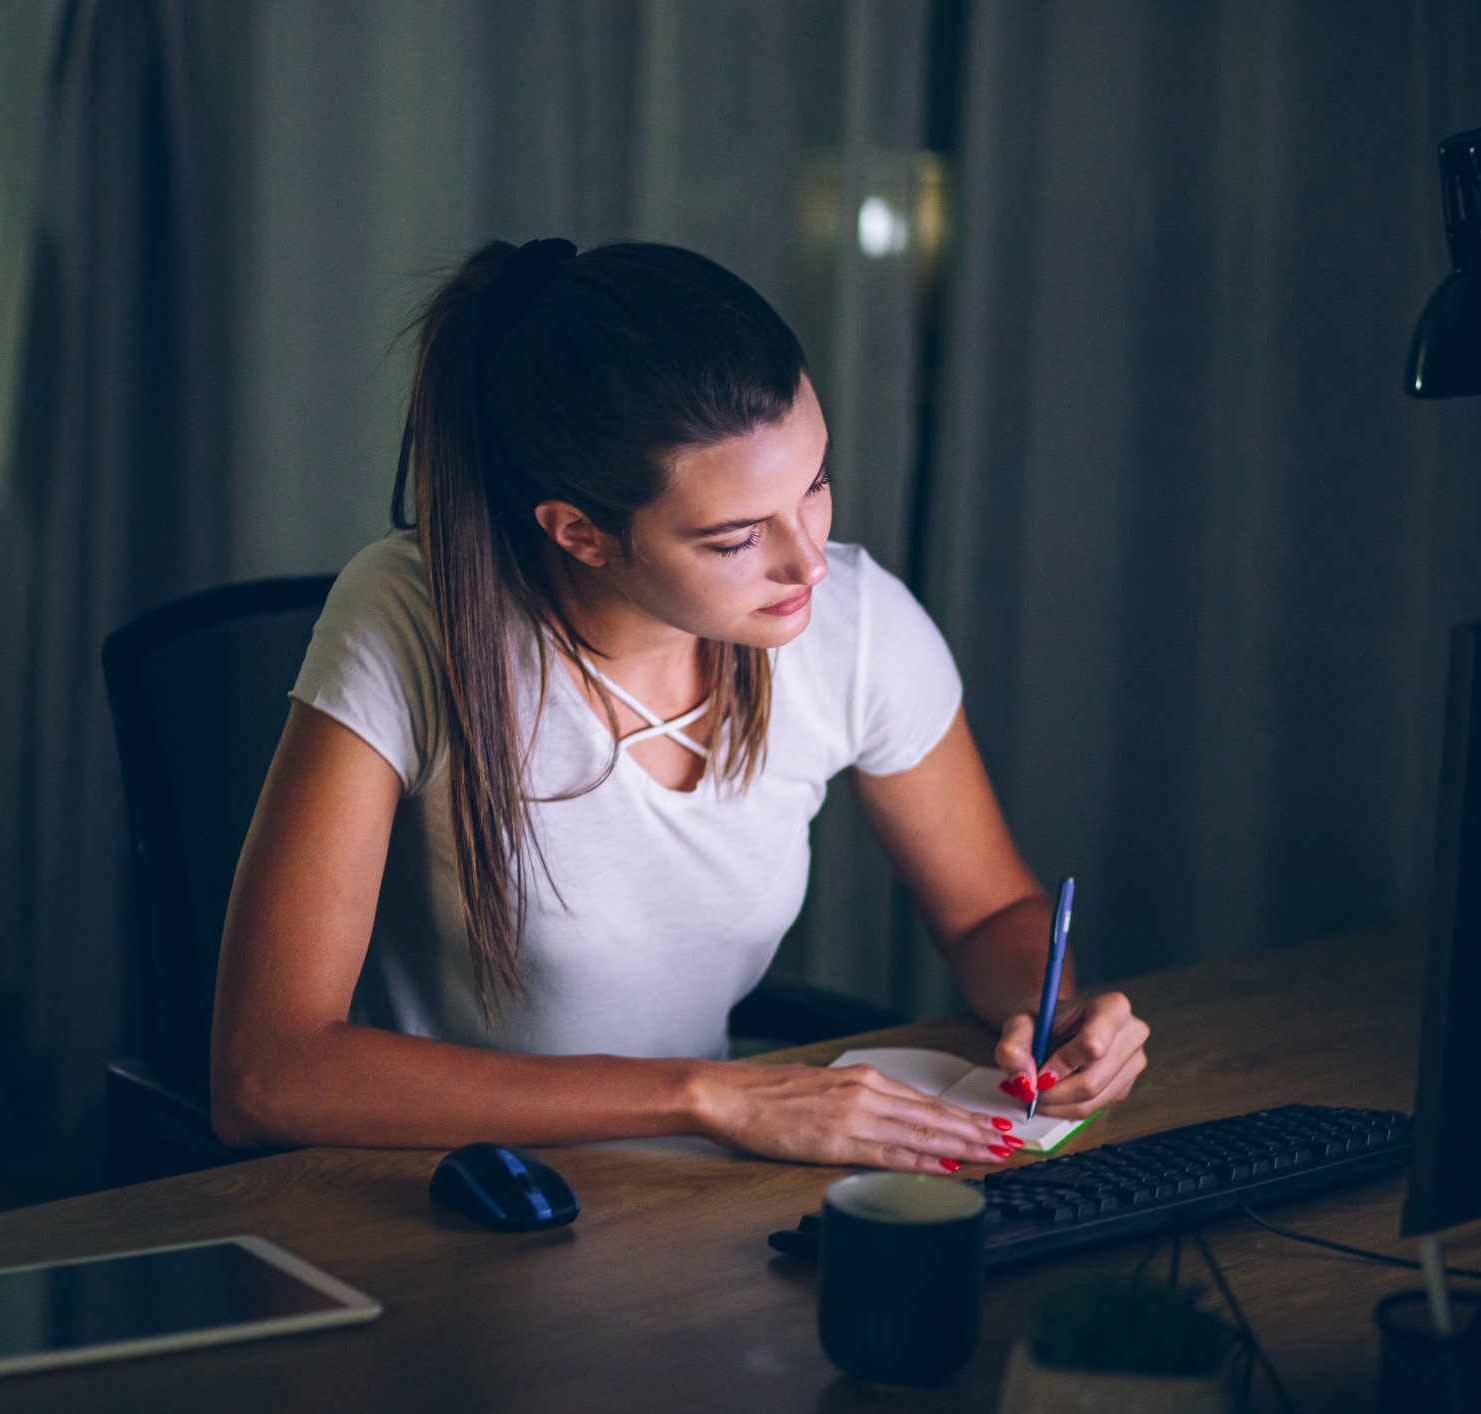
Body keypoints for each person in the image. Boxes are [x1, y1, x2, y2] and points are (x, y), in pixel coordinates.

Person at [210, 237, 1150, 1173]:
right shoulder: (413, 619)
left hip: (694, 1184)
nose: (809, 560)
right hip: (437, 1190)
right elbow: (267, 1075)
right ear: (580, 533)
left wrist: (1058, 1011)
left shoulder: (849, 621)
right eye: (738, 536)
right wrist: (701, 1093)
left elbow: (990, 914)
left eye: (814, 483)